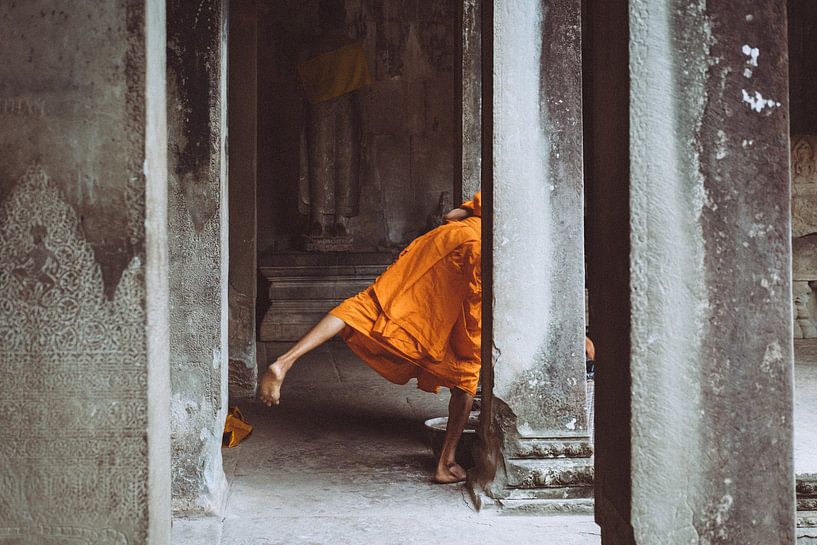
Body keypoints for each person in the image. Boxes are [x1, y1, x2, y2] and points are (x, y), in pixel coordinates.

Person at [259, 193, 482, 484]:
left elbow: (452, 216)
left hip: (444, 243)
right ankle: (446, 462)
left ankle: (285, 361)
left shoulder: (487, 198)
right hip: (474, 255)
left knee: (367, 306)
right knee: (467, 366)